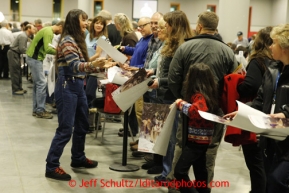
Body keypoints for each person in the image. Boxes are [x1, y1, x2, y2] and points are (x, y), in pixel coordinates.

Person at [168, 11, 238, 192]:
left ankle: (177, 187)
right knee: (210, 149)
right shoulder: (228, 51)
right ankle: (203, 187)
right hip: (216, 113)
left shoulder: (184, 48)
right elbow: (237, 80)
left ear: (199, 26)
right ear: (216, 28)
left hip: (189, 110)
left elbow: (173, 78)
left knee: (182, 145)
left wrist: (183, 101)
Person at [45, 9, 109, 181]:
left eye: (87, 20)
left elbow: (83, 65)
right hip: (68, 85)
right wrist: (95, 64)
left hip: (78, 85)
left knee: (82, 124)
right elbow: (75, 66)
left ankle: (78, 158)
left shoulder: (76, 40)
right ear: (74, 21)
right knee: (65, 129)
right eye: (84, 20)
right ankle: (51, 166)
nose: (87, 23)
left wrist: (101, 66)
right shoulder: (67, 41)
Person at [224, 24, 289, 193]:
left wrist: (283, 115)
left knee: (277, 181)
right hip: (270, 137)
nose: (270, 46)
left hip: (286, 140)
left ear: (284, 47)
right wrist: (243, 112)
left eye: (274, 43)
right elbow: (260, 99)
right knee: (268, 181)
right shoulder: (273, 70)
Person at [146, 10, 193, 180]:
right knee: (162, 136)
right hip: (162, 93)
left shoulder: (182, 46)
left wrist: (160, 81)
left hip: (171, 95)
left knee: (172, 138)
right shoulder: (169, 44)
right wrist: (154, 72)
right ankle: (165, 170)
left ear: (174, 26)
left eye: (165, 25)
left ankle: (169, 173)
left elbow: (178, 76)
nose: (162, 28)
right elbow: (165, 69)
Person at [174, 63, 220, 193]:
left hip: (196, 140)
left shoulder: (199, 95)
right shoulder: (210, 92)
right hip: (203, 139)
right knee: (200, 171)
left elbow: (196, 111)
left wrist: (181, 103)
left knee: (180, 172)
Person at [26, 20, 64, 119]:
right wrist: (60, 52)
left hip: (34, 58)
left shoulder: (47, 30)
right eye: (62, 31)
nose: (61, 33)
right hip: (35, 59)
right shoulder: (49, 32)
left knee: (37, 84)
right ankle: (40, 110)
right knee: (42, 83)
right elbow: (48, 49)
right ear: (60, 26)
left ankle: (36, 109)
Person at [8, 24, 35, 95]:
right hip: (13, 53)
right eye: (33, 29)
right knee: (15, 72)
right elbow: (22, 49)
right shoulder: (23, 36)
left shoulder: (25, 36)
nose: (34, 30)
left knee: (18, 71)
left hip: (16, 54)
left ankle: (19, 88)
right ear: (28, 29)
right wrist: (32, 52)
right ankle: (16, 89)